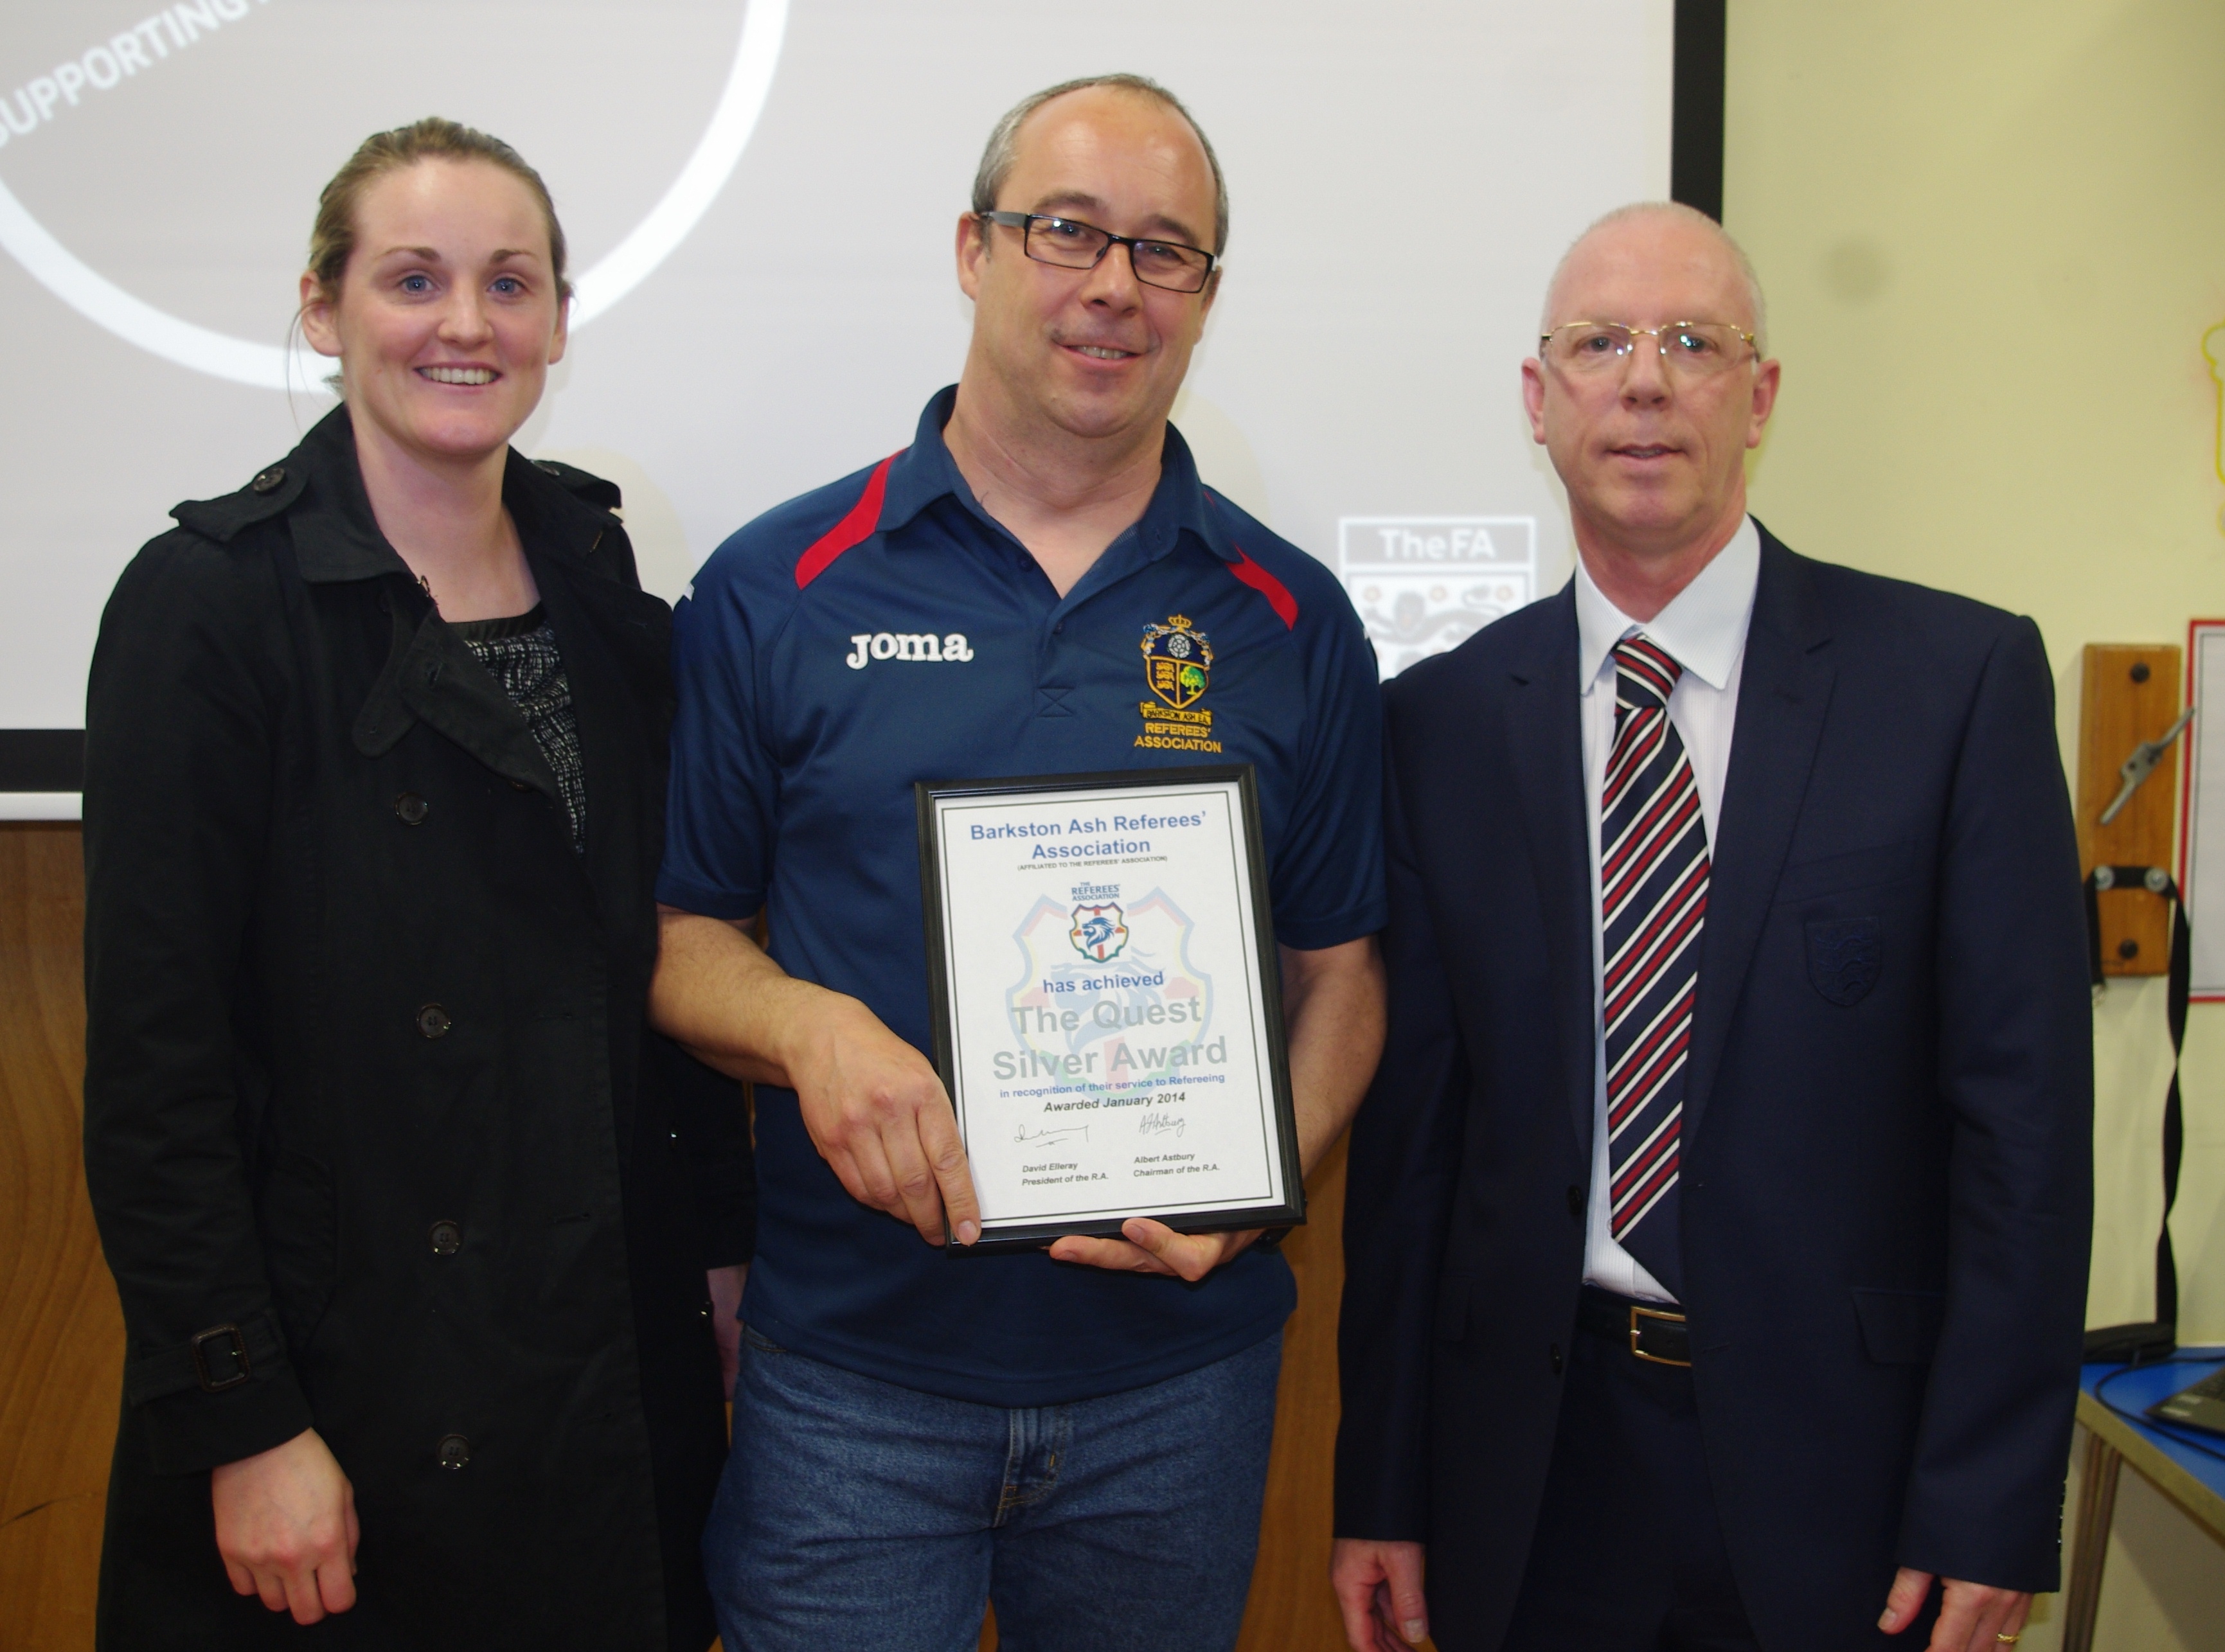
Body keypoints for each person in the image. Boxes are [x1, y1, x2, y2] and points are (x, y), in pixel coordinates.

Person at [652, 73, 1387, 1652]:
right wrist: (810, 1028)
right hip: (853, 1376)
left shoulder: (1290, 614)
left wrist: (1264, 1187)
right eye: (1069, 232)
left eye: (1165, 250)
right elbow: (683, 938)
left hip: (1175, 1384)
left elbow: (1342, 975)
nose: (1114, 285)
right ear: (975, 251)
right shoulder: (777, 583)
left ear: (1203, 297)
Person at [1330, 202, 2092, 1652]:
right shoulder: (1433, 723)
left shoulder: (1955, 682)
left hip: (1850, 1481)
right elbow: (1415, 1158)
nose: (1645, 379)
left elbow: (2026, 1137)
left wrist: (1989, 1500)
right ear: (1537, 399)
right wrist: (1384, 1484)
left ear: (1763, 394)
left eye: (1694, 340)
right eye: (1598, 342)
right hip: (1533, 1477)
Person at [81, 118, 746, 1650]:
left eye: (510, 283)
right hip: (336, 1385)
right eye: (413, 278)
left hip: (598, 1375)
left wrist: (724, 1269)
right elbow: (156, 1072)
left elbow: (662, 975)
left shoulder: (609, 602)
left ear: (560, 321)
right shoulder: (209, 606)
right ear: (323, 309)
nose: (466, 323)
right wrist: (243, 1419)